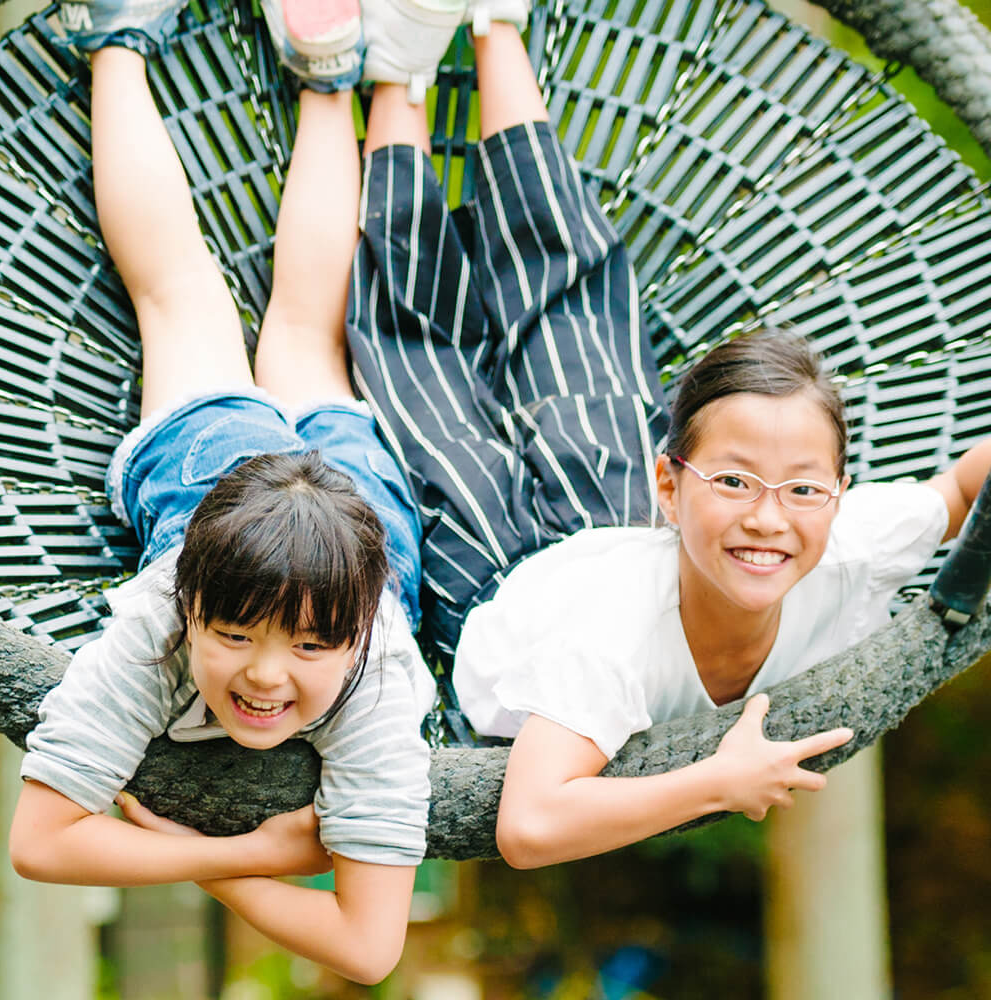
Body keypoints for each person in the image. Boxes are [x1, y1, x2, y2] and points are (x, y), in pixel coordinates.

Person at [343, 9, 991, 869]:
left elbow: (955, 496)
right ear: (672, 481)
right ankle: (480, 34)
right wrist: (718, 781)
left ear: (836, 496)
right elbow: (528, 826)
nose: (771, 517)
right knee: (577, 310)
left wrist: (754, 497)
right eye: (734, 482)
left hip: (493, 581)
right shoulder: (612, 638)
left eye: (803, 489)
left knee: (424, 368)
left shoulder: (842, 545)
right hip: (589, 559)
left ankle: (398, 77)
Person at [9, 0, 439, 983]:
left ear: (354, 634)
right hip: (230, 495)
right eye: (235, 634)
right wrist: (247, 852)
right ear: (187, 604)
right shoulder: (159, 618)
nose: (266, 677)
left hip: (344, 533)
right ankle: (308, 73)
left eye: (308, 645)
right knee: (265, 326)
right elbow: (40, 840)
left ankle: (148, 44)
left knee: (204, 304)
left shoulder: (374, 678)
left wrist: (215, 867)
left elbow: (370, 951)